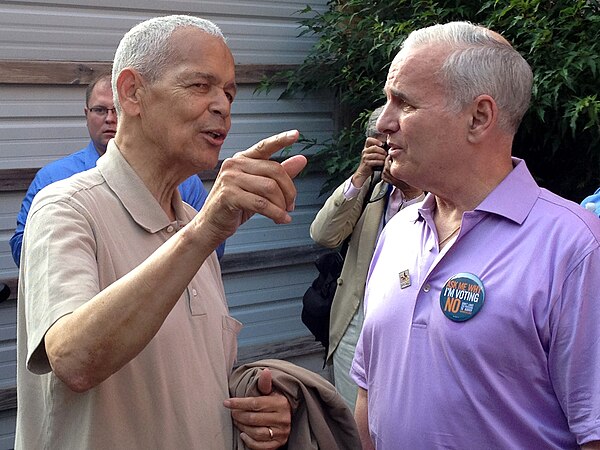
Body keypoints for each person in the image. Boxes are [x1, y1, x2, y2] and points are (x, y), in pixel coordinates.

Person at [16, 15, 308, 450]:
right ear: (132, 92)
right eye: (199, 86)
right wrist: (204, 232)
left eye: (229, 92)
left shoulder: (193, 226)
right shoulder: (66, 208)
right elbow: (72, 360)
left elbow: (184, 374)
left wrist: (254, 405)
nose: (223, 106)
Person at [350, 21, 600, 450]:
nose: (384, 122)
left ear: (479, 117)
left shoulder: (575, 247)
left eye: (404, 104)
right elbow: (370, 396)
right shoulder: (398, 232)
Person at [9, 72, 225, 267]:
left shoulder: (184, 181)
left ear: (133, 111)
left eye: (116, 110)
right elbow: (23, 251)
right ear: (86, 115)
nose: (110, 119)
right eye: (100, 110)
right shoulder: (53, 178)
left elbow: (213, 251)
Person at [309, 106, 424, 411]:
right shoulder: (374, 187)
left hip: (408, 324)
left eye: (395, 144)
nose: (390, 154)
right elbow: (323, 234)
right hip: (355, 319)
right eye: (382, 145)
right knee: (351, 422)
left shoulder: (439, 193)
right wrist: (361, 173)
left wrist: (412, 194)